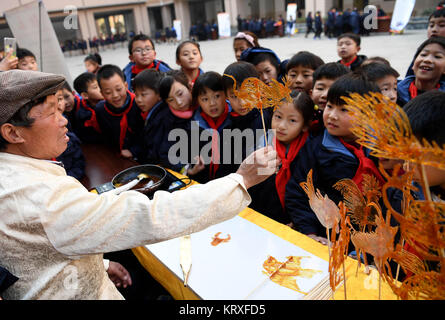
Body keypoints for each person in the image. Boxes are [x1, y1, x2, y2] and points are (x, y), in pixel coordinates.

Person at [0, 69, 278, 300]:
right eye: (52, 113)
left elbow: (56, 239)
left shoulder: (15, 176)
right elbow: (148, 216)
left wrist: (100, 263)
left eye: (61, 110)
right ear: (12, 132)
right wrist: (242, 180)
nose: (64, 121)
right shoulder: (39, 197)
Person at [285, 73, 383, 245]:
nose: (332, 115)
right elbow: (298, 193)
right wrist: (309, 232)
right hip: (326, 238)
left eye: (344, 110)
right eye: (330, 107)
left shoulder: (379, 151)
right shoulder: (316, 148)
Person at [249, 91, 314, 226]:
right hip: (264, 217)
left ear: (305, 125)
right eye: (278, 117)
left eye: (292, 120)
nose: (282, 126)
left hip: (296, 222)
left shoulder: (310, 151)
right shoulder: (264, 143)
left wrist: (298, 222)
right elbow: (254, 185)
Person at [190, 71, 234, 183]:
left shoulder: (235, 119)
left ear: (226, 94)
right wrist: (190, 170)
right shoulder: (195, 123)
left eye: (217, 96)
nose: (212, 103)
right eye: (205, 99)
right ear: (198, 101)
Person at [95, 64, 145, 160]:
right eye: (108, 92)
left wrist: (134, 151)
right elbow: (106, 137)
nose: (115, 95)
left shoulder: (139, 104)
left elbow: (148, 135)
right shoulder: (100, 110)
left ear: (126, 86)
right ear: (101, 93)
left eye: (118, 89)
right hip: (117, 157)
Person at [222, 61, 268, 162]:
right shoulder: (228, 126)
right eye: (234, 96)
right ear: (226, 96)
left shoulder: (269, 118)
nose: (242, 103)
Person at [132, 69, 167, 164]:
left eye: (143, 95)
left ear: (159, 94)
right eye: (136, 95)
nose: (138, 100)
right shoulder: (150, 112)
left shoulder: (162, 117)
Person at [397, 36, 445, 107]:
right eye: (423, 55)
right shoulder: (394, 93)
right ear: (413, 64)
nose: (427, 60)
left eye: (437, 56)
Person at [309, 62, 350, 133]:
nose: (325, 95)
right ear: (311, 93)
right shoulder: (304, 116)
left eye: (332, 90)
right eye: (320, 88)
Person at [405, 8, 445, 77]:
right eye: (431, 25)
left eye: (442, 25)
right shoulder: (423, 48)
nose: (434, 29)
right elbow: (409, 76)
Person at [72, 72, 104, 144]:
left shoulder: (109, 103)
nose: (101, 89)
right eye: (96, 87)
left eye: (100, 85)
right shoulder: (83, 114)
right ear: (85, 95)